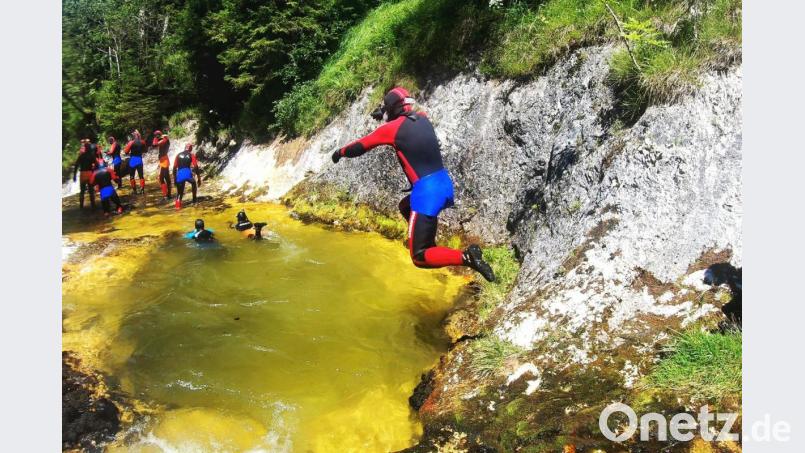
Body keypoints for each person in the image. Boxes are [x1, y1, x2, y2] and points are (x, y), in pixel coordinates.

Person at [331, 87, 495, 281]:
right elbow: (405, 117)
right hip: (444, 185)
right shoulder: (423, 118)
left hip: (426, 193)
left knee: (419, 256)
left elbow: (360, 146)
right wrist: (384, 113)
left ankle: (466, 257)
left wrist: (340, 152)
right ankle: (422, 238)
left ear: (392, 110)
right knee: (404, 206)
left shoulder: (392, 128)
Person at [172, 143, 202, 209]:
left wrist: (175, 179)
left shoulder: (178, 155)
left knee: (179, 193)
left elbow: (174, 168)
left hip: (180, 174)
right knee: (194, 183)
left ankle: (177, 208)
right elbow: (196, 166)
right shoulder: (191, 155)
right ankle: (194, 201)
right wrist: (199, 178)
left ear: (184, 148)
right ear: (190, 149)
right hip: (188, 173)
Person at [73, 139, 98, 210]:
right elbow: (97, 164)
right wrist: (94, 170)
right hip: (90, 173)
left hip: (82, 174)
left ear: (85, 148)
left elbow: (76, 165)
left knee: (82, 191)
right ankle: (93, 206)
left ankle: (81, 206)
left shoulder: (81, 156)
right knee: (91, 191)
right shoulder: (91, 156)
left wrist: (74, 176)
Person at [152, 130, 172, 199]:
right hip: (163, 160)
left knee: (163, 178)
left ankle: (166, 195)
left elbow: (154, 145)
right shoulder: (164, 139)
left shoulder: (164, 140)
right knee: (165, 178)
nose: (155, 137)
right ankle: (167, 194)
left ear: (158, 135)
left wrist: (155, 138)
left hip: (164, 160)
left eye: (156, 135)